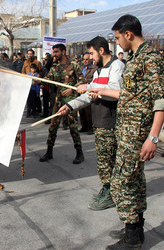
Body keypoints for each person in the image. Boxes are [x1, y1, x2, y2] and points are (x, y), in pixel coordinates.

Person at [89, 15, 164, 249]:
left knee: (121, 184)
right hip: (125, 129)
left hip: (136, 133)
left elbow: (162, 100)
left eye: (117, 38)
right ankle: (134, 230)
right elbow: (129, 95)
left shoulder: (150, 58)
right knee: (134, 182)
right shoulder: (135, 59)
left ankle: (132, 239)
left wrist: (152, 137)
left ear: (128, 34)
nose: (117, 43)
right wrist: (98, 89)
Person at [59, 36, 124, 211]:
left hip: (110, 120)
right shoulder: (97, 70)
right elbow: (89, 96)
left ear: (101, 50)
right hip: (99, 121)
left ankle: (110, 193)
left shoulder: (117, 66)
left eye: (92, 53)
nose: (91, 57)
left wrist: (88, 87)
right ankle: (107, 189)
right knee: (103, 161)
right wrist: (70, 106)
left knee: (108, 160)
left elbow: (115, 89)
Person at [39, 43, 84, 164]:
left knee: (72, 126)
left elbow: (82, 82)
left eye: (56, 52)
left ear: (63, 52)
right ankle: (49, 151)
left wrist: (72, 88)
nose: (54, 54)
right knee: (53, 125)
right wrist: (37, 80)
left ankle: (79, 152)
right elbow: (48, 79)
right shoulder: (55, 67)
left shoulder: (74, 65)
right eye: (54, 52)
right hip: (58, 100)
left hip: (71, 100)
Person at [78, 52, 97, 134]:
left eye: (86, 59)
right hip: (80, 90)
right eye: (84, 59)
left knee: (88, 111)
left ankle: (91, 127)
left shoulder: (94, 68)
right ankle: (84, 126)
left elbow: (95, 80)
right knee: (81, 110)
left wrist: (86, 82)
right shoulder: (81, 67)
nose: (85, 61)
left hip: (89, 90)